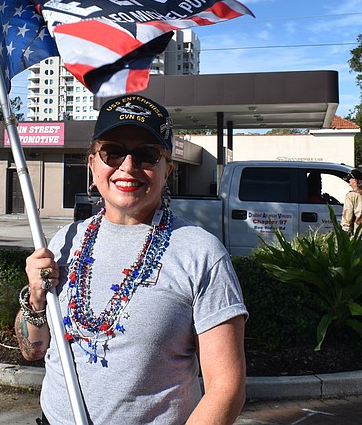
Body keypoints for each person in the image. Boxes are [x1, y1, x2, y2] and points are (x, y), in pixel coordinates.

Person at [15, 94, 248, 425]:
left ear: (167, 169)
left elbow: (226, 388)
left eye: (146, 156)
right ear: (92, 163)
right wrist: (36, 298)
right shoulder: (64, 241)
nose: (127, 166)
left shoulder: (201, 253)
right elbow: (33, 352)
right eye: (113, 152)